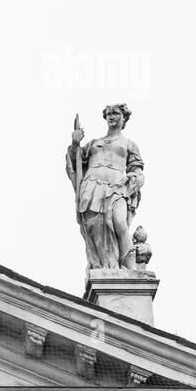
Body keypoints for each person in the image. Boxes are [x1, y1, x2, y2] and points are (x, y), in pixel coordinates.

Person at [66, 104, 144, 270]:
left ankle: (129, 267)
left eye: (116, 113)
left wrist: (135, 178)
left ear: (124, 118)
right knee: (94, 227)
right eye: (109, 114)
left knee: (119, 222)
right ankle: (103, 266)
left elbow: (136, 169)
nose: (112, 116)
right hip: (92, 186)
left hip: (117, 186)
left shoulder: (129, 144)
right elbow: (75, 162)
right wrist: (75, 143)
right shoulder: (95, 142)